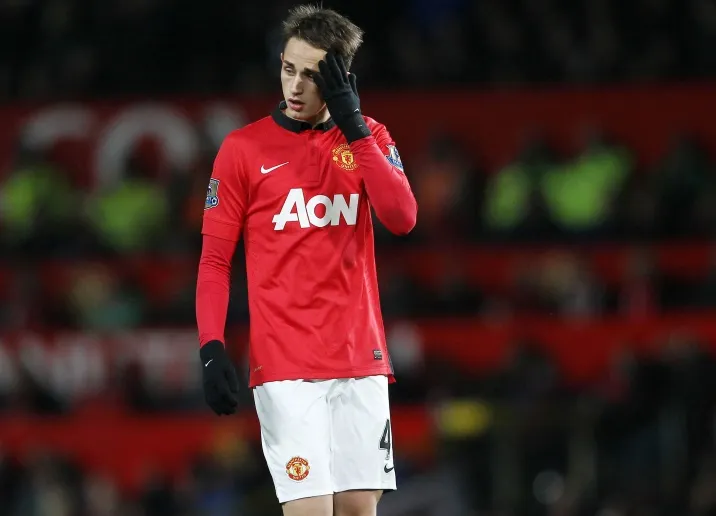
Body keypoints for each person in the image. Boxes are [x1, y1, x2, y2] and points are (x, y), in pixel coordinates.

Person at [195, 5, 417, 515]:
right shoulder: (243, 149)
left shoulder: (369, 138)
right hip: (286, 366)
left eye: (312, 75)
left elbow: (402, 217)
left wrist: (354, 125)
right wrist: (211, 347)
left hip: (360, 358)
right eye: (288, 69)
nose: (294, 86)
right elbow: (214, 262)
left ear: (340, 77)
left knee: (357, 510)